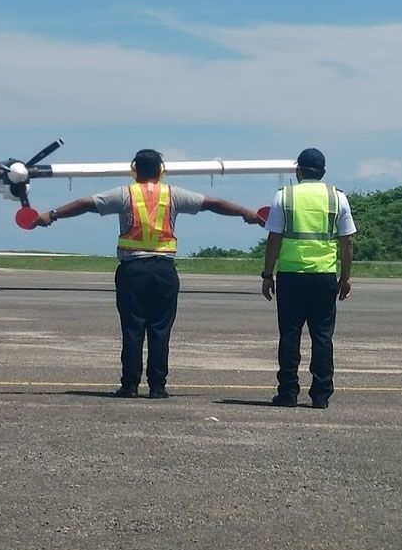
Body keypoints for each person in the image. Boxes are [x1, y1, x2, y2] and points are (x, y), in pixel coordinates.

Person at [31, 149, 263, 399]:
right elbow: (213, 204)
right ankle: (158, 386)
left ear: (134, 170)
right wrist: (245, 212)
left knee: (132, 329)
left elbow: (86, 204)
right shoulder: (172, 194)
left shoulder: (124, 194)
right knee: (160, 329)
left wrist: (51, 215)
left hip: (133, 270)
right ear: (161, 170)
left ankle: (130, 385)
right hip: (164, 270)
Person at [260, 148, 355, 409]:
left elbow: (274, 238)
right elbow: (347, 242)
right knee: (323, 336)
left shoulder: (285, 197)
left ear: (298, 170)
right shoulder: (337, 199)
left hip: (291, 276)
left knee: (289, 335)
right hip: (324, 276)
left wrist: (268, 274)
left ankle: (288, 391)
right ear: (323, 172)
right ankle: (321, 394)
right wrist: (345, 277)